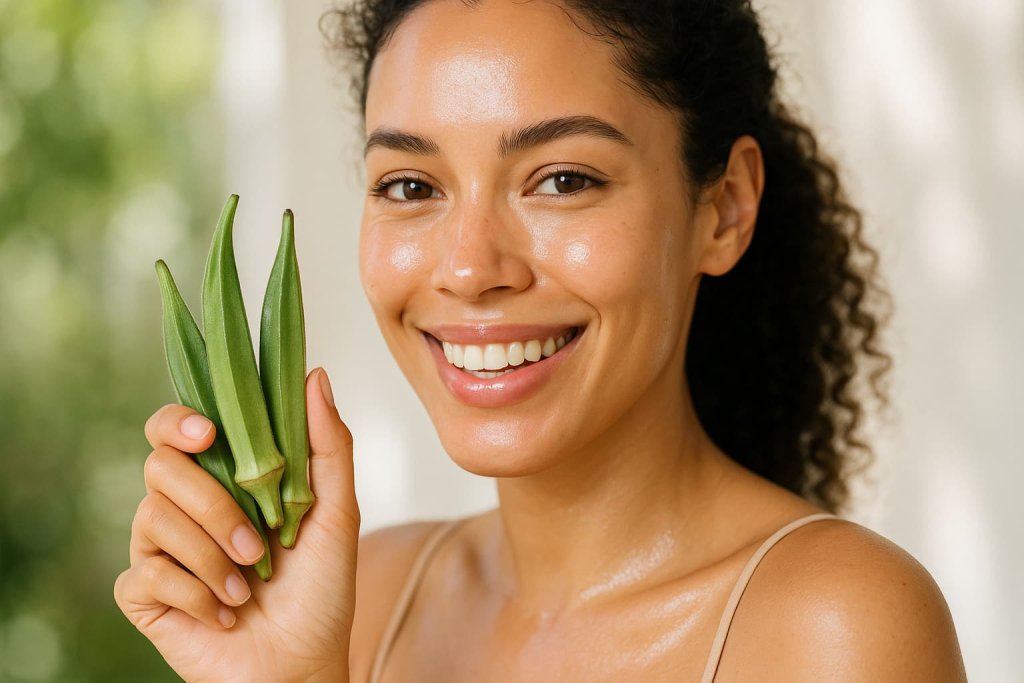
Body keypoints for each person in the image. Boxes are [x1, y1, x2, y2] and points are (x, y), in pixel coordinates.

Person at [114, 0, 968, 680]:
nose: (469, 267)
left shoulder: (835, 626)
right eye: (411, 185)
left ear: (725, 207)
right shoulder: (357, 599)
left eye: (562, 179)